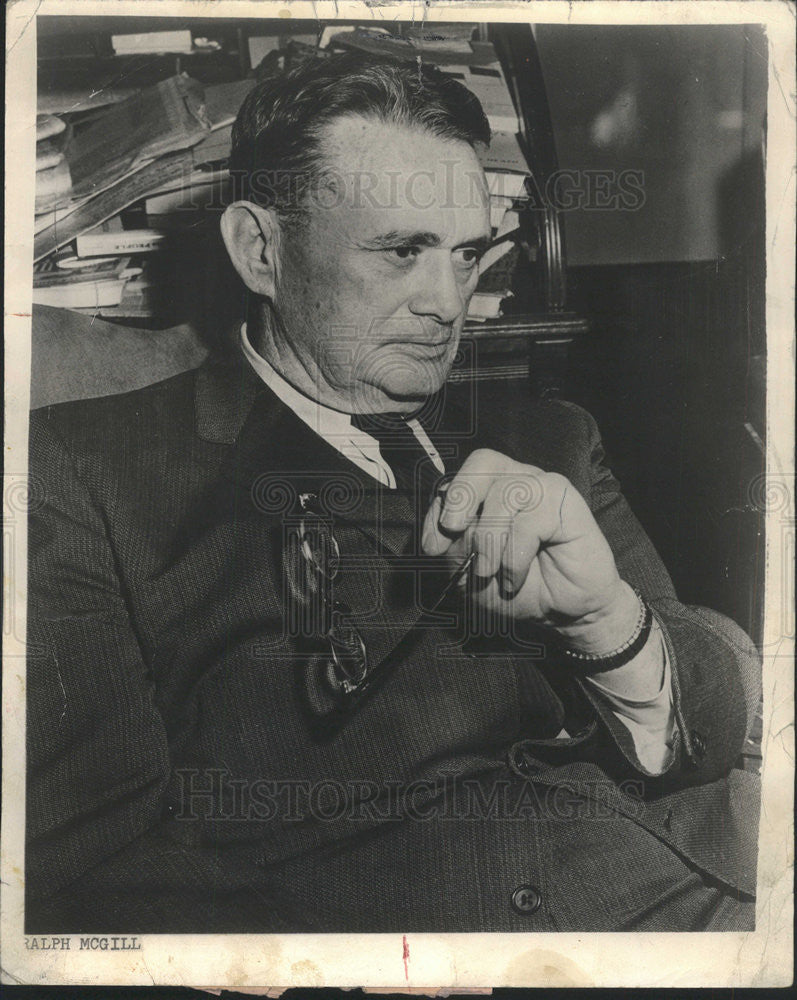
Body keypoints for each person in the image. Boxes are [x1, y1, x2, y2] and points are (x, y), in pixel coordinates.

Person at [26, 52, 760, 933]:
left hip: (718, 888)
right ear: (261, 249)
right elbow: (86, 879)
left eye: (466, 255)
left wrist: (606, 624)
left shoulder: (550, 436)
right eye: (401, 251)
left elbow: (716, 722)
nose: (448, 303)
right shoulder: (87, 473)